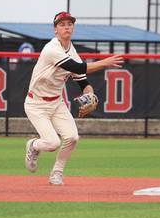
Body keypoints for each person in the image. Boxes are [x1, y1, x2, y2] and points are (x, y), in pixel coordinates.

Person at [23, 11, 123, 185]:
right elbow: (77, 67)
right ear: (55, 30)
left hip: (56, 103)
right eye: (62, 24)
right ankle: (33, 145)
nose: (66, 27)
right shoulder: (52, 48)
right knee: (52, 143)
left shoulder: (71, 49)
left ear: (73, 27)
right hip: (36, 103)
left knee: (72, 137)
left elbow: (83, 81)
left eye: (69, 24)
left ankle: (57, 173)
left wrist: (89, 94)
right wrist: (104, 63)